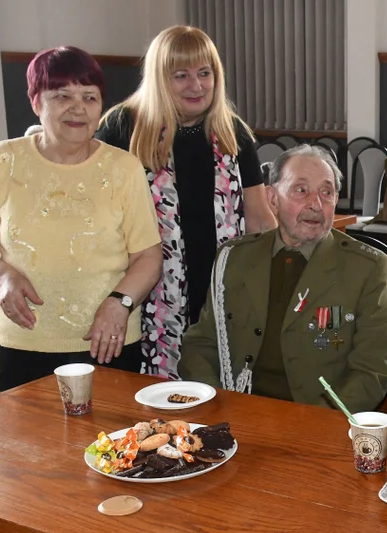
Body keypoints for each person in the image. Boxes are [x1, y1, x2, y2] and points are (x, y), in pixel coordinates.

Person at [0, 47, 162, 391]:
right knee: (31, 442)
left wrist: (120, 303)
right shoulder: (3, 160)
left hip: (108, 340)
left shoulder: (123, 167)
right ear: (36, 101)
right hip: (25, 336)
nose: (78, 107)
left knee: (112, 441)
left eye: (89, 97)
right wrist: (1, 276)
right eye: (62, 95)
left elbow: (148, 256)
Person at [97, 25, 277, 378]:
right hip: (144, 304)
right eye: (181, 75)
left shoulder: (231, 132)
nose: (196, 86)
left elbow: (260, 222)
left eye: (204, 73)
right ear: (160, 78)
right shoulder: (122, 128)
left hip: (221, 296)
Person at [178, 145, 387, 411]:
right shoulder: (235, 259)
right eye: (301, 190)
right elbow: (201, 344)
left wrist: (314, 425)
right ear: (272, 199)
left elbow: (371, 371)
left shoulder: (366, 268)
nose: (315, 204)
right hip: (237, 411)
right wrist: (216, 405)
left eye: (326, 192)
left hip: (317, 420)